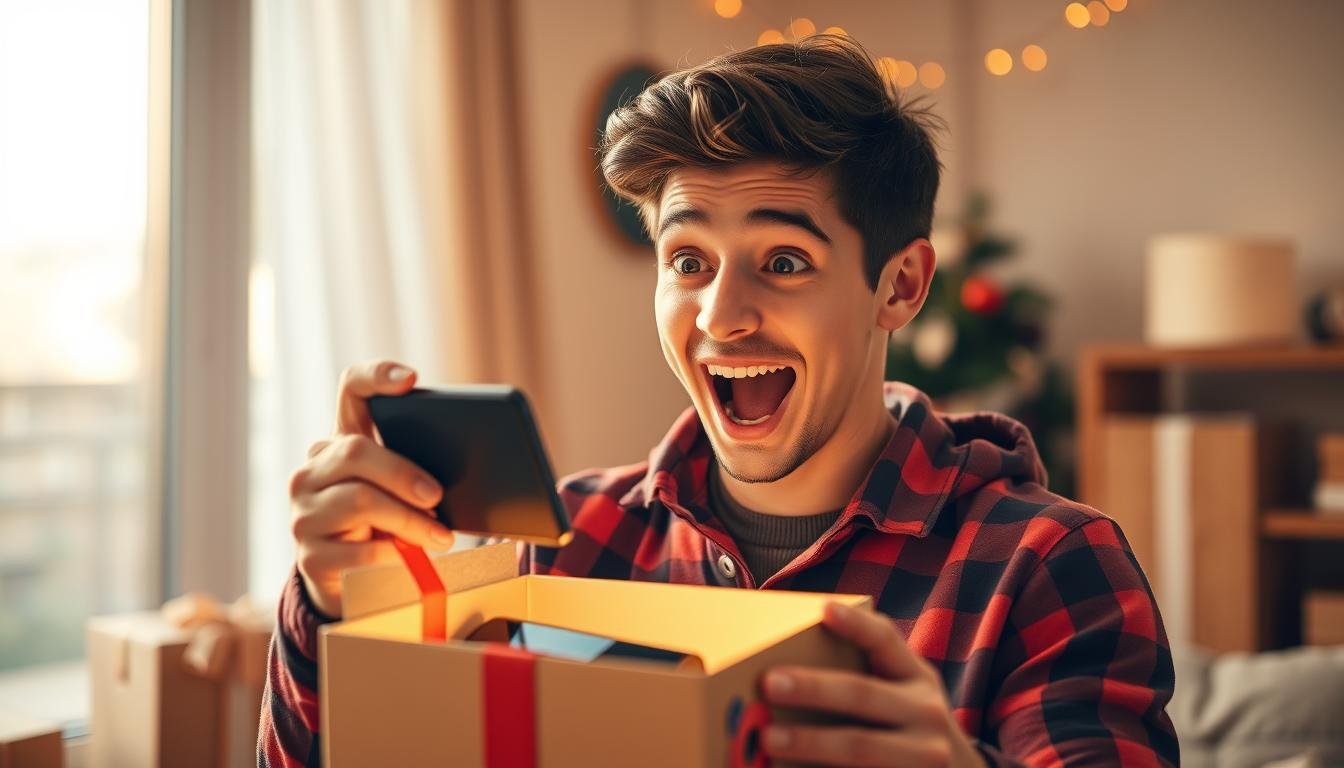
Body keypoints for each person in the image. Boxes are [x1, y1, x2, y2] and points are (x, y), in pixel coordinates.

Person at [259, 35, 1178, 767]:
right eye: (688, 262)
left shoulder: (1047, 565)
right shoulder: (565, 544)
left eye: (783, 263)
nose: (720, 316)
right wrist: (333, 606)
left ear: (898, 288)